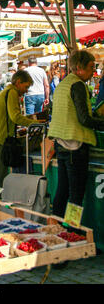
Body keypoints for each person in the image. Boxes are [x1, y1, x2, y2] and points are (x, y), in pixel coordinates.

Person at [48, 50, 104, 219]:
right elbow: (84, 119)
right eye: (90, 67)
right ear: (79, 67)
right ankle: (73, 234)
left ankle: (56, 228)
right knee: (75, 195)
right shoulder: (78, 85)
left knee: (63, 191)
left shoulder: (63, 84)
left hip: (61, 143)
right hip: (74, 145)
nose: (93, 72)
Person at [0, 70, 36, 190]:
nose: (26, 90)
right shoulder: (12, 92)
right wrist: (35, 123)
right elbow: (15, 116)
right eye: (26, 86)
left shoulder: (6, 92)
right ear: (18, 82)